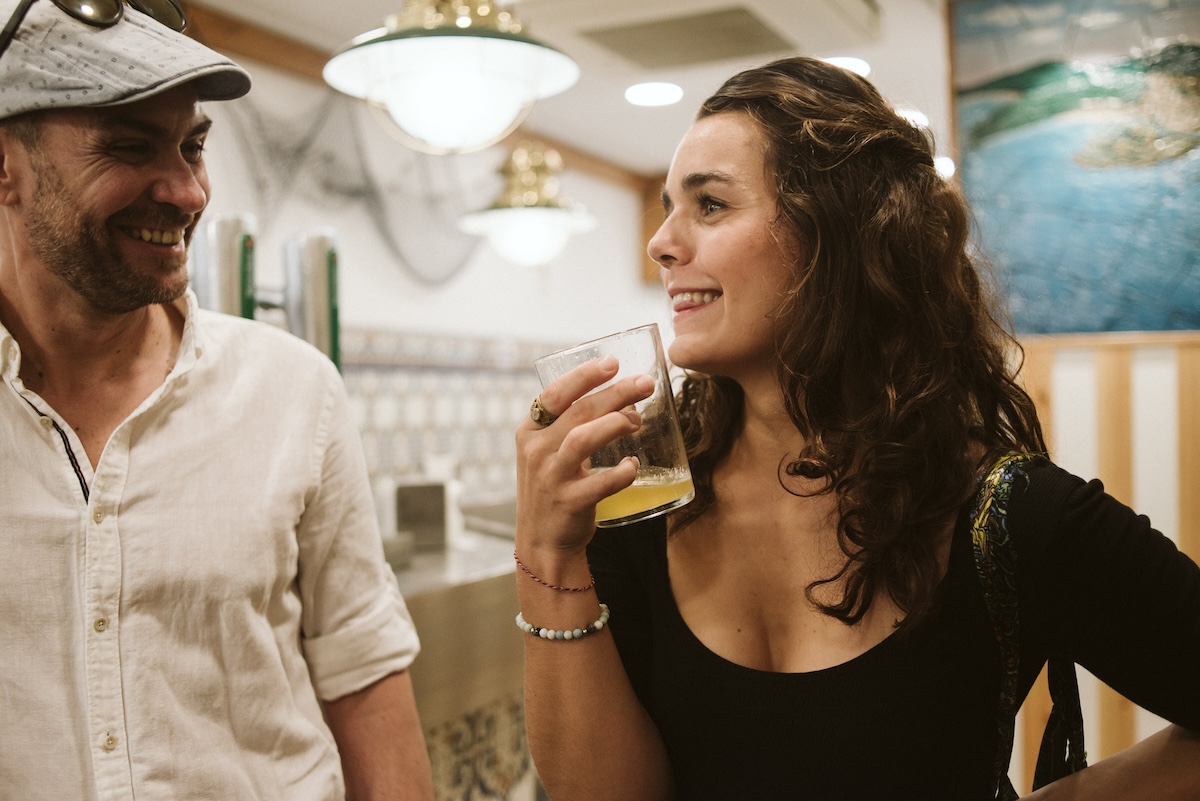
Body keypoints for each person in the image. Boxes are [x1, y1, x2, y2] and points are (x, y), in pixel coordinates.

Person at [514, 56, 1200, 800]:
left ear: (833, 232)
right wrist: (547, 551)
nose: (662, 241)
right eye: (669, 206)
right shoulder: (650, 496)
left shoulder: (1004, 514)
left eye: (709, 205)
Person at [0, 2, 434, 798]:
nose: (188, 191)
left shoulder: (295, 391)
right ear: (6, 167)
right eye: (128, 147)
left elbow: (364, 677)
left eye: (193, 146)